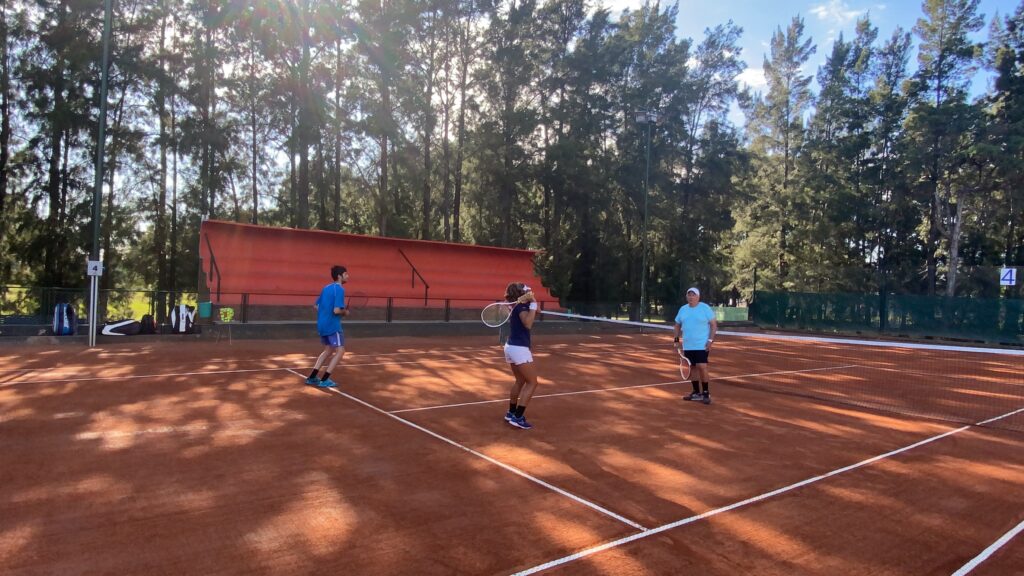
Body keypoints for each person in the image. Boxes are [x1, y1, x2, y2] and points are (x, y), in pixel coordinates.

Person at [502, 282, 539, 430]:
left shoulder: (516, 305)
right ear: (519, 294)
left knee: (520, 381)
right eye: (526, 291)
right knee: (532, 383)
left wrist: (532, 302)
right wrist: (533, 303)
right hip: (519, 348)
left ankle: (511, 413)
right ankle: (518, 417)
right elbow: (528, 323)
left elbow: (538, 311)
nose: (529, 291)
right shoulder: (521, 307)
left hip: (511, 347)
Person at [306, 265, 349, 388]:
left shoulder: (326, 288)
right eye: (346, 274)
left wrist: (327, 312)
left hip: (322, 324)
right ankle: (325, 379)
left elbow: (316, 306)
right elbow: (336, 310)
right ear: (340, 276)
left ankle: (312, 377)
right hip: (333, 325)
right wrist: (345, 312)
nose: (348, 276)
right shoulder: (339, 289)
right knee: (340, 351)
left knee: (328, 350)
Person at [673, 286, 718, 405]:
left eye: (693, 295)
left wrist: (710, 340)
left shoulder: (705, 308)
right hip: (688, 345)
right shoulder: (683, 309)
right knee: (692, 367)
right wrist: (676, 340)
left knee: (702, 366)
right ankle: (696, 392)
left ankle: (706, 393)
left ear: (698, 297)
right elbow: (677, 325)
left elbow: (713, 325)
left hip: (701, 345)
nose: (691, 297)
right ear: (687, 297)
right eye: (689, 295)